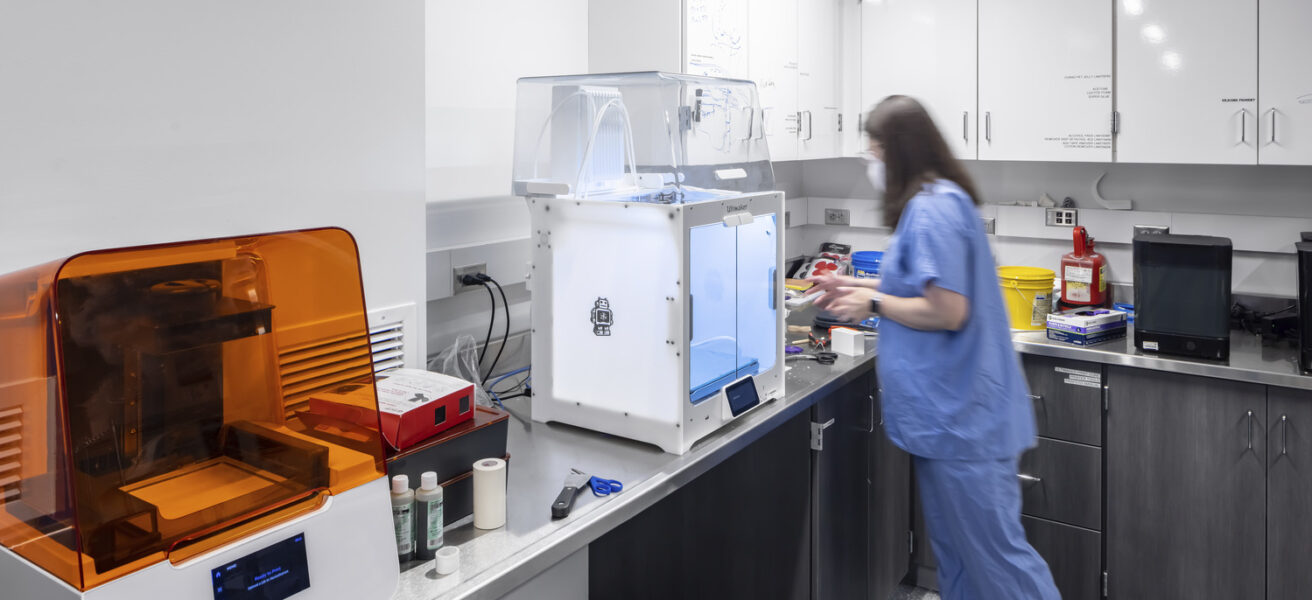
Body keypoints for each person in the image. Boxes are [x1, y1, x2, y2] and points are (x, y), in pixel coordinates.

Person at [808, 95, 1060, 600]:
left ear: (898, 150)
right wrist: (864, 290)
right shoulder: (938, 202)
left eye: (875, 149)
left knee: (999, 565)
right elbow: (921, 284)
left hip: (963, 423)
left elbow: (948, 310)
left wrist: (874, 303)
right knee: (961, 563)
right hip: (948, 425)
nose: (870, 160)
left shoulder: (933, 208)